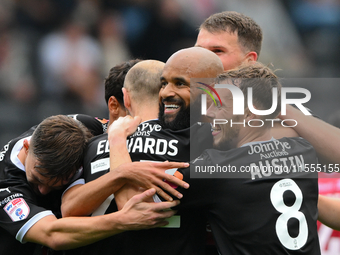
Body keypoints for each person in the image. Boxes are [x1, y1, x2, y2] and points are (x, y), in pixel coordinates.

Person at [114, 63, 322, 254]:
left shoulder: (215, 168)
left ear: (250, 114)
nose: (209, 113)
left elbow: (132, 205)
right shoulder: (303, 150)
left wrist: (116, 138)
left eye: (219, 106)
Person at [0, 115, 180, 255]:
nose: (43, 191)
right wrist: (124, 219)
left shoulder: (81, 127)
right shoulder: (5, 182)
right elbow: (52, 234)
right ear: (26, 146)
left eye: (56, 184)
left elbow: (129, 123)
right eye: (37, 179)